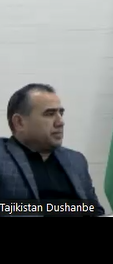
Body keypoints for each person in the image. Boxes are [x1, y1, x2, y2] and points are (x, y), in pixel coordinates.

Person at [0, 83, 104, 215]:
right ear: (19, 122)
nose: (60, 122)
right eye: (49, 114)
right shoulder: (3, 157)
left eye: (61, 113)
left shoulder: (76, 160)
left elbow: (95, 209)